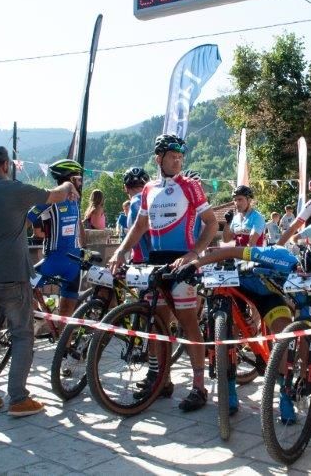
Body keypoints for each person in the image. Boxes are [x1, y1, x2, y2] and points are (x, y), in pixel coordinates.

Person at [0, 146, 79, 418]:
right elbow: (55, 195)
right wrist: (66, 183)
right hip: (12, 276)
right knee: (22, 335)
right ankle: (18, 398)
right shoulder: (14, 190)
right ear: (5, 165)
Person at [108, 134, 217, 412]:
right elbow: (140, 226)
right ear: (159, 159)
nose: (177, 161)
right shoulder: (148, 189)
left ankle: (199, 387)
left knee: (188, 323)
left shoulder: (191, 186)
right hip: (155, 262)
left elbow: (211, 223)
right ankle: (162, 381)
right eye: (172, 156)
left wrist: (194, 254)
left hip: (182, 262)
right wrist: (121, 250)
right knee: (155, 324)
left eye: (180, 156)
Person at [172, 245, 298, 419]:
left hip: (269, 296)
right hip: (242, 286)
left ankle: (285, 394)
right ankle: (229, 390)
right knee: (227, 332)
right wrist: (194, 264)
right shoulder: (270, 255)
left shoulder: (298, 276)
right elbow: (229, 251)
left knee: (284, 333)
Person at [26, 159, 85, 319]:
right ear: (70, 179)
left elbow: (80, 228)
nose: (81, 183)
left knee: (67, 318)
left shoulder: (76, 201)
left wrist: (84, 248)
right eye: (78, 179)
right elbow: (26, 221)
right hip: (52, 261)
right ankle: (38, 314)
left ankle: (62, 340)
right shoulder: (50, 199)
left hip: (72, 263)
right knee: (22, 287)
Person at [122, 167, 151, 263]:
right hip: (160, 257)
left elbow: (137, 239)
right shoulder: (153, 200)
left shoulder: (134, 205)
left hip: (142, 261)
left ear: (125, 188)